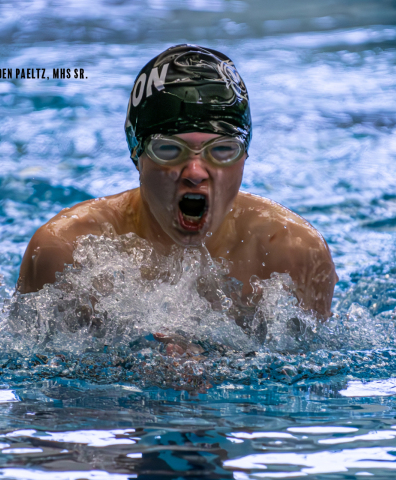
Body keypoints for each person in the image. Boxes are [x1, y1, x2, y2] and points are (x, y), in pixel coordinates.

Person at [17, 44, 337, 340]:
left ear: (245, 154)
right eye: (169, 150)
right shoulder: (65, 251)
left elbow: (315, 390)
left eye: (222, 150)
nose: (195, 172)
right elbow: (37, 386)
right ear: (136, 153)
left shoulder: (293, 253)